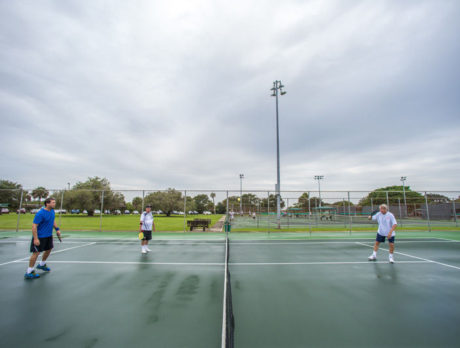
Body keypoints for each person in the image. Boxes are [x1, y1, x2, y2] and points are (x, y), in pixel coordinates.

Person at [25, 197, 61, 279]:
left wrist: (57, 229)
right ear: (47, 203)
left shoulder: (52, 211)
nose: (54, 204)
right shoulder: (40, 213)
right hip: (40, 236)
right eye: (53, 202)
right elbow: (34, 226)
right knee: (36, 253)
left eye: (54, 202)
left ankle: (42, 264)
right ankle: (29, 271)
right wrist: (36, 238)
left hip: (48, 235)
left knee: (49, 249)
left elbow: (52, 220)